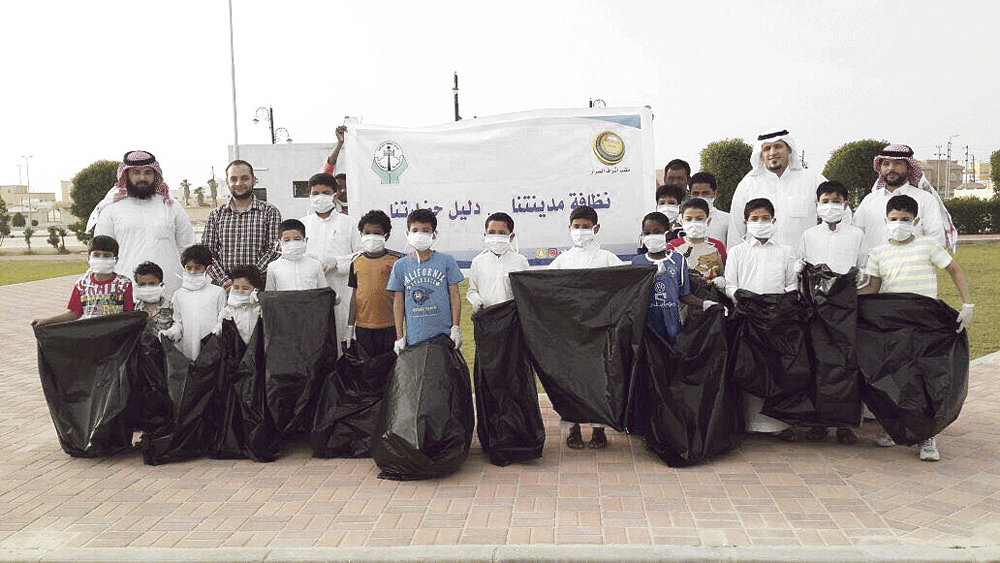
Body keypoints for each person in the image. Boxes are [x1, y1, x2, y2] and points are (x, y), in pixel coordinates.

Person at [859, 194, 973, 462]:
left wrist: (967, 303)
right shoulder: (878, 252)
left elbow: (954, 270)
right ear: (885, 221)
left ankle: (927, 437)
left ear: (916, 221)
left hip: (925, 322)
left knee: (925, 378)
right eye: (894, 219)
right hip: (892, 325)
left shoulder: (927, 246)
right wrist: (843, 298)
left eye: (905, 220)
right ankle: (896, 429)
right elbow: (872, 288)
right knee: (896, 376)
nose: (899, 224)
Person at [794, 180, 866, 445]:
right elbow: (800, 266)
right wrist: (799, 268)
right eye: (825, 202)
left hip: (846, 309)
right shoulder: (809, 236)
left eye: (836, 201)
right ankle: (819, 422)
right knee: (818, 364)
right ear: (817, 205)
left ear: (846, 204)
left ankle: (845, 424)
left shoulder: (856, 235)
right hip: (816, 309)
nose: (830, 206)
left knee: (846, 365)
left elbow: (863, 268)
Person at [724, 198, 799, 441]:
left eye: (765, 218)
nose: (760, 223)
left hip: (778, 320)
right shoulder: (736, 252)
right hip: (747, 319)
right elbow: (730, 285)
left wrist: (777, 307)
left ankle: (779, 425)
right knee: (748, 369)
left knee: (777, 370)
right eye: (754, 219)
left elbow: (791, 285)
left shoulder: (786, 252)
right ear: (746, 223)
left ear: (774, 221)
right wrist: (745, 301)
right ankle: (748, 424)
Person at [549, 205, 623, 449]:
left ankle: (599, 430)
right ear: (569, 228)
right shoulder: (562, 261)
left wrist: (651, 272)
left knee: (599, 380)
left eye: (585, 227)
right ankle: (573, 429)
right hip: (570, 331)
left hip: (599, 329)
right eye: (576, 227)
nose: (580, 231)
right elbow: (543, 288)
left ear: (596, 229)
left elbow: (627, 280)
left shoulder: (607, 259)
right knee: (570, 380)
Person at [91, 150, 196, 300]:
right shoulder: (111, 209)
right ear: (126, 175)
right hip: (126, 291)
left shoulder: (171, 206)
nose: (142, 178)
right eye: (136, 172)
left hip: (171, 289)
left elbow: (188, 247)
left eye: (148, 172)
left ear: (155, 175)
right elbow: (102, 254)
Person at [853, 144, 954, 262]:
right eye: (886, 164)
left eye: (897, 164)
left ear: (909, 167)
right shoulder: (869, 201)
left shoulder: (925, 200)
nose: (891, 168)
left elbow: (936, 241)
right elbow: (855, 236)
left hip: (911, 274)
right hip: (873, 273)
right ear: (880, 168)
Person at [728, 128, 826, 249]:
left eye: (778, 146)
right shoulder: (747, 185)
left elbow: (842, 215)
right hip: (758, 263)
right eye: (767, 148)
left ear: (789, 149)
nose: (773, 152)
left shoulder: (812, 180)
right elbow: (736, 231)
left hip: (801, 262)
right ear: (760, 155)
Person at [386, 208, 464, 354]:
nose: (419, 235)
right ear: (407, 234)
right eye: (415, 230)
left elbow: (454, 295)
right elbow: (398, 302)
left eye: (425, 230)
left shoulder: (447, 261)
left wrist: (455, 327)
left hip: (443, 337)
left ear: (434, 234)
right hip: (414, 338)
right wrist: (399, 336)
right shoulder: (400, 265)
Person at [202, 160, 282, 289]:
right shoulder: (216, 215)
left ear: (254, 180)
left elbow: (274, 250)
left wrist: (248, 280)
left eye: (244, 178)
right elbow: (207, 254)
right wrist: (226, 282)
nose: (239, 183)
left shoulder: (270, 213)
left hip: (259, 287)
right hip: (223, 289)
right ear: (227, 182)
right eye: (233, 179)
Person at [300, 173, 359, 349]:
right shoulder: (302, 224)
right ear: (309, 195)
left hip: (341, 289)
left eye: (325, 193)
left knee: (342, 339)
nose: (320, 197)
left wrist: (337, 262)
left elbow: (361, 256)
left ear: (335, 194)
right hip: (311, 292)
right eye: (315, 193)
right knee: (313, 341)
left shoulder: (348, 223)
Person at [32, 235, 134, 327]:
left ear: (115, 259)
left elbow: (129, 314)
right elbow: (75, 313)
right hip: (90, 336)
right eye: (97, 255)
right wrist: (46, 321)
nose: (101, 258)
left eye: (107, 255)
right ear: (89, 257)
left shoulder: (124, 284)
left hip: (116, 337)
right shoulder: (82, 284)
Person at [346, 210, 403, 357]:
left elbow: (401, 297)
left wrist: (402, 332)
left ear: (386, 235)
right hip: (363, 327)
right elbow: (355, 296)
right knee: (367, 371)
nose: (371, 237)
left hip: (389, 326)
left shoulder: (396, 261)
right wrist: (350, 326)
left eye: (377, 233)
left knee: (390, 371)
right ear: (361, 235)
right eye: (367, 233)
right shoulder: (356, 262)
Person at [160, 244, 227, 360]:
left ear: (208, 269)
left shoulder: (218, 292)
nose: (192, 271)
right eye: (188, 267)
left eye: (197, 267)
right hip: (187, 354)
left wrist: (218, 330)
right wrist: (170, 333)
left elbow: (223, 320)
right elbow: (178, 324)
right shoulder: (179, 295)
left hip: (212, 354)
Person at [466, 212, 529, 312]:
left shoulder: (520, 261)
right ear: (485, 235)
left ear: (511, 236)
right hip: (486, 316)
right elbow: (472, 290)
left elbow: (526, 292)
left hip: (513, 318)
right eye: (491, 232)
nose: (496, 236)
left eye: (501, 233)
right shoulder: (478, 262)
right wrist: (476, 300)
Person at [667, 198, 728, 288]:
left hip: (711, 296)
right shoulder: (672, 246)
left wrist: (722, 279)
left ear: (708, 221)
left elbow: (725, 273)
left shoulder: (717, 246)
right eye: (688, 219)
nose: (694, 223)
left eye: (699, 219)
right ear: (681, 221)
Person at [266, 219, 328, 291]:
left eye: (297, 239)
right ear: (280, 243)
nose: (292, 243)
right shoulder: (273, 267)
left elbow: (324, 292)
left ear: (305, 240)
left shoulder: (315, 265)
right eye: (287, 240)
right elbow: (269, 295)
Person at [213, 265, 263, 345]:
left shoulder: (260, 309)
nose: (240, 291)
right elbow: (218, 335)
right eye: (236, 287)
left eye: (245, 288)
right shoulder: (227, 312)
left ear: (254, 288)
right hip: (235, 354)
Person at [689, 171, 730, 246]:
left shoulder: (727, 219)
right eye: (696, 194)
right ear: (690, 195)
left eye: (705, 193)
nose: (700, 197)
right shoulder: (681, 220)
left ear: (714, 194)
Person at [133, 261, 173, 333]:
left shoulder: (173, 308)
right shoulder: (134, 309)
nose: (147, 288)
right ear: (137, 286)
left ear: (161, 284)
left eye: (152, 284)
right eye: (142, 284)